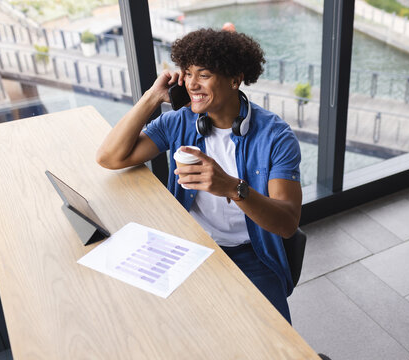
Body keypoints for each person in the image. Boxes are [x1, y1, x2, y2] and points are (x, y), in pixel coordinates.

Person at [96, 28, 302, 323]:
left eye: (203, 74)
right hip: (188, 244)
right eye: (187, 73)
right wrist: (153, 96)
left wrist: (232, 188)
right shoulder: (179, 121)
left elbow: (287, 223)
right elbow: (110, 157)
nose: (191, 83)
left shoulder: (275, 136)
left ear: (234, 79)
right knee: (160, 325)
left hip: (251, 254)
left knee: (276, 341)